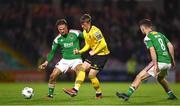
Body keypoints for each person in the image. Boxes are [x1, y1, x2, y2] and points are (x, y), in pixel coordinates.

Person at [116, 19, 177, 101]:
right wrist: (172, 60)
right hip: (168, 62)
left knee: (139, 77)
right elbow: (170, 46)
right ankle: (171, 95)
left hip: (159, 62)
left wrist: (155, 65)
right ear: (150, 27)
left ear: (142, 28)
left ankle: (127, 94)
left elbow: (152, 51)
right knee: (160, 78)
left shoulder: (148, 37)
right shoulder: (160, 34)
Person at [63, 14, 110, 99]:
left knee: (91, 75)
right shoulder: (85, 32)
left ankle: (99, 93)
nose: (82, 26)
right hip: (93, 53)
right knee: (82, 68)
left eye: (83, 24)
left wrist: (94, 51)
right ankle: (75, 90)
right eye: (81, 24)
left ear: (88, 23)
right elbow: (88, 45)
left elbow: (103, 44)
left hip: (102, 55)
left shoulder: (96, 31)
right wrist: (79, 51)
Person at [38, 19, 83, 98]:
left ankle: (74, 90)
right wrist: (46, 62)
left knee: (80, 70)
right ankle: (50, 95)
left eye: (63, 29)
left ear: (67, 28)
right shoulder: (57, 39)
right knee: (52, 76)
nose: (62, 31)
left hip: (76, 59)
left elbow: (87, 38)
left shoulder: (76, 33)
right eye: (60, 29)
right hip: (65, 60)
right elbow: (52, 52)